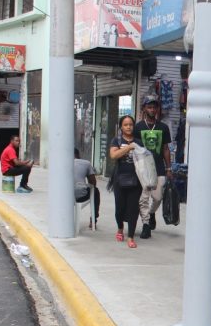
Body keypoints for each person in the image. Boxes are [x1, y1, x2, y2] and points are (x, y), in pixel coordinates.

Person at [135, 95, 172, 239]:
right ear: (144, 108)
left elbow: (165, 149)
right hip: (143, 169)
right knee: (143, 198)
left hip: (159, 168)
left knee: (158, 197)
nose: (152, 109)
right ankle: (146, 224)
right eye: (149, 107)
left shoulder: (163, 127)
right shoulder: (138, 127)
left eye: (154, 107)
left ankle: (151, 213)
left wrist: (169, 168)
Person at [108, 115, 143, 248]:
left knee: (133, 209)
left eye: (130, 125)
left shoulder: (139, 142)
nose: (128, 127)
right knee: (120, 208)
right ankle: (120, 228)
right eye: (125, 125)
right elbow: (113, 155)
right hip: (120, 179)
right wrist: (128, 148)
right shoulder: (116, 140)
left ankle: (130, 236)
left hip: (136, 180)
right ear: (121, 127)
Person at [74, 147, 100, 228]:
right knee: (95, 191)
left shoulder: (60, 162)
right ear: (78, 155)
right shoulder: (86, 163)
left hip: (63, 197)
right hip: (80, 195)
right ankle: (93, 221)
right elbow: (93, 182)